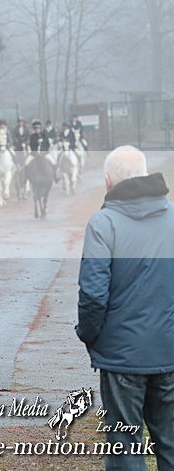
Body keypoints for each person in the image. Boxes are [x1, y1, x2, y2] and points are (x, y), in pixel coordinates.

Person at [77, 145, 174, 471]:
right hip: (169, 353)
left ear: (108, 181)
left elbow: (93, 296)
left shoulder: (103, 224)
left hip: (121, 359)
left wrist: (90, 336)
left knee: (125, 446)